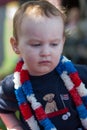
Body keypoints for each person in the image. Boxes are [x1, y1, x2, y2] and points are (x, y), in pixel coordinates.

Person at [0, 0, 87, 130]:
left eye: (54, 44)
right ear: (16, 45)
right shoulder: (13, 85)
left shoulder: (77, 73)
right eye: (36, 44)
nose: (46, 52)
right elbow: (3, 107)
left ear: (62, 42)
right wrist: (13, 125)